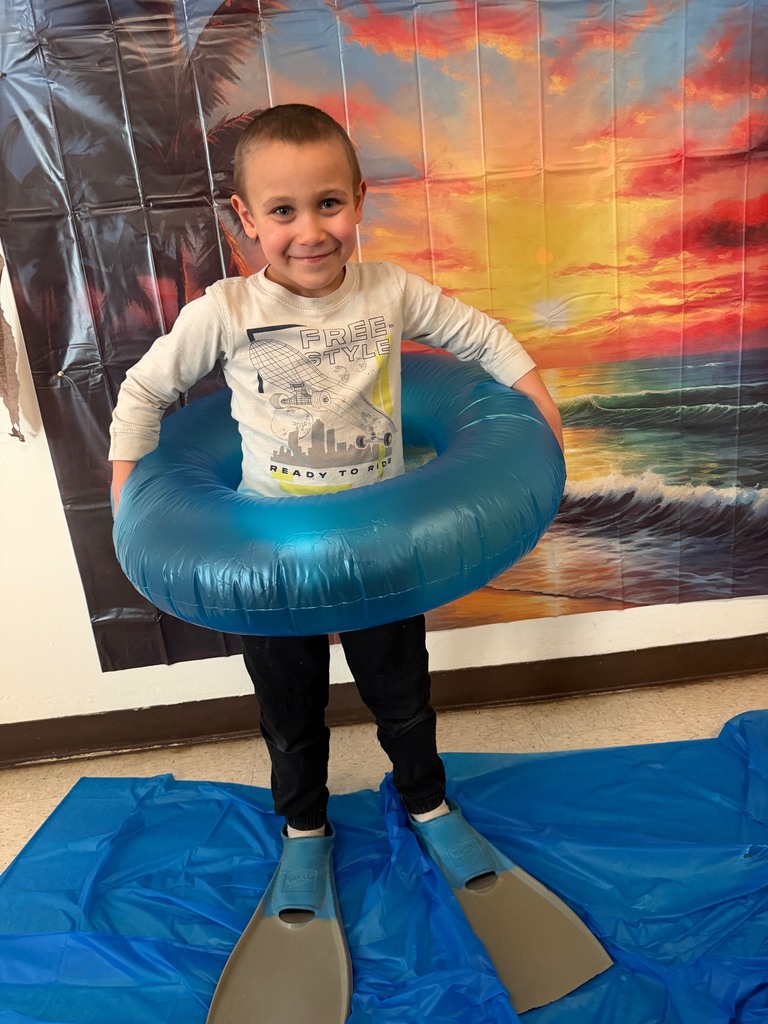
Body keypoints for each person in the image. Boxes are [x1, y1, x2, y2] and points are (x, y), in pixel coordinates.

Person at [110, 104, 563, 844]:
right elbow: (144, 392)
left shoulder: (390, 292)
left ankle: (425, 801)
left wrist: (538, 400)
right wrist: (128, 491)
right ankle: (304, 825)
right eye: (282, 211)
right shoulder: (226, 310)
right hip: (271, 554)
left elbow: (477, 335)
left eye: (327, 204)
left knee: (403, 695)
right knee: (289, 710)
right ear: (246, 218)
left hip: (379, 544)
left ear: (358, 199)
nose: (310, 231)